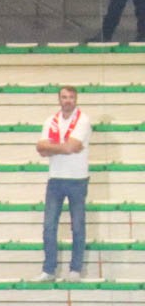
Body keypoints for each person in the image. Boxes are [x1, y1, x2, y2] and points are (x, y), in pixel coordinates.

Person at [38, 84, 93, 283]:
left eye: (71, 97)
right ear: (59, 99)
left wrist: (52, 147)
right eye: (64, 97)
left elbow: (72, 147)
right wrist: (65, 147)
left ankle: (75, 269)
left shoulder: (83, 120)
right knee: (48, 226)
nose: (67, 100)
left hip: (78, 179)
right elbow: (41, 148)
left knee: (77, 226)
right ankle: (49, 269)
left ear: (75, 99)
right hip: (55, 179)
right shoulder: (50, 121)